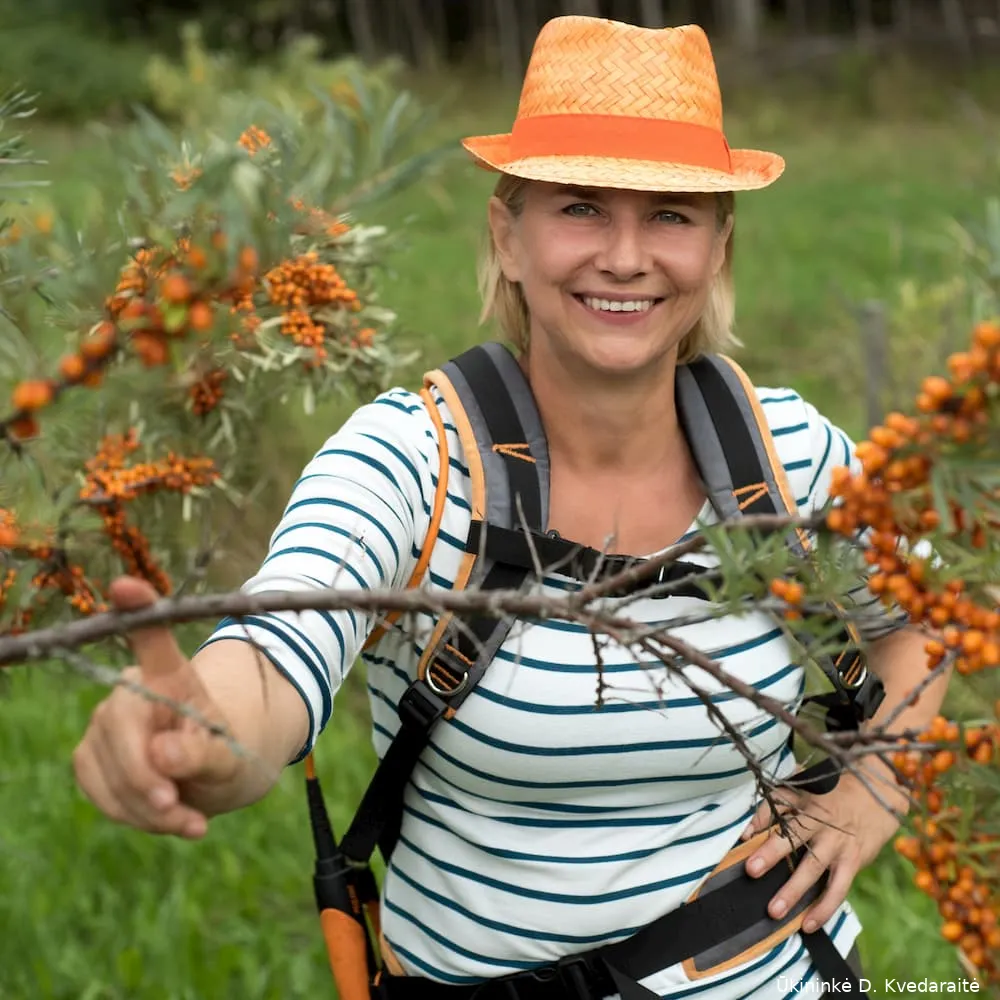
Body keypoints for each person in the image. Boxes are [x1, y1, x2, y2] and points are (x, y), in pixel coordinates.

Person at [72, 15, 950, 1000]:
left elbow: (918, 623)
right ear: (508, 234)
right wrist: (201, 731)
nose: (625, 256)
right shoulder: (415, 461)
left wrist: (873, 792)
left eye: (671, 215)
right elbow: (277, 657)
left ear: (717, 244)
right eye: (579, 207)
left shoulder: (782, 455)